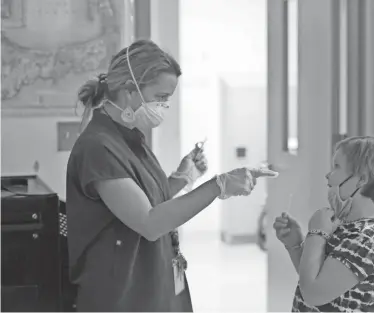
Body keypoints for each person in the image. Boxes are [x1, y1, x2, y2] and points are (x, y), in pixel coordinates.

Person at [66, 39, 278, 312]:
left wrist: (183, 177)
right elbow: (149, 222)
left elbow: (142, 202)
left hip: (150, 281)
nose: (165, 106)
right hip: (119, 295)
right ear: (130, 90)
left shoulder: (130, 138)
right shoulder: (98, 146)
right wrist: (218, 185)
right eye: (161, 97)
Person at [273, 136, 374, 312]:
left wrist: (316, 234)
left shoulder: (366, 240)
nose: (328, 175)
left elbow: (312, 294)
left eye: (337, 167)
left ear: (361, 180)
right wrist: (295, 245)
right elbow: (317, 279)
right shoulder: (349, 225)